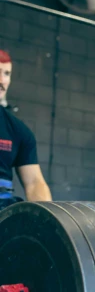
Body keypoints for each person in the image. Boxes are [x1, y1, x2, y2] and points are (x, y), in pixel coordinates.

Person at [0, 49, 52, 209]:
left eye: (7, 73)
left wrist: (47, 222)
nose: (2, 80)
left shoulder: (19, 132)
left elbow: (34, 183)